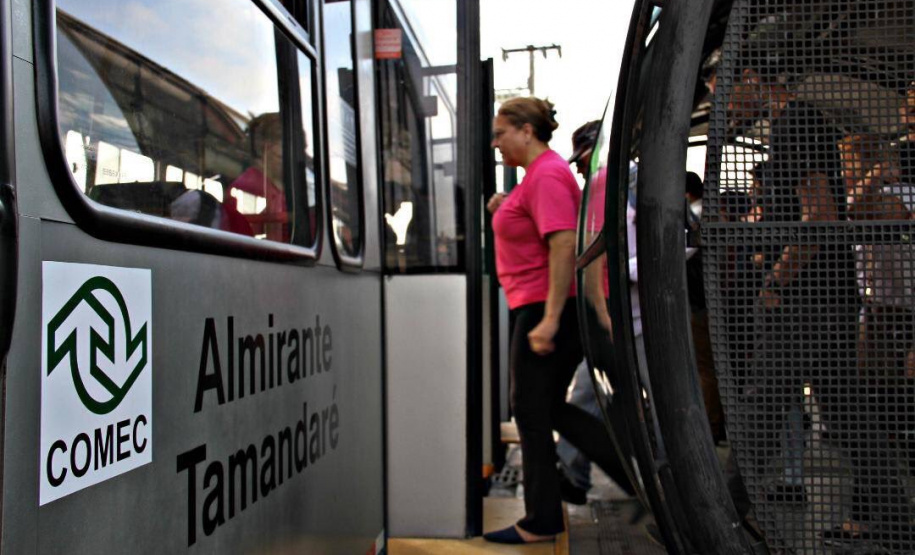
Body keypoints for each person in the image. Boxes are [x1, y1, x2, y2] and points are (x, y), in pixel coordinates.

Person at [482, 98, 632, 544]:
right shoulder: (541, 177)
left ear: (526, 131)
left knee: (531, 411)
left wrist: (548, 320)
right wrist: (504, 208)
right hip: (547, 305)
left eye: (500, 133)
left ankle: (541, 520)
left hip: (545, 307)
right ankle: (632, 475)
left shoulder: (546, 174)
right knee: (546, 409)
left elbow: (564, 245)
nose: (495, 143)